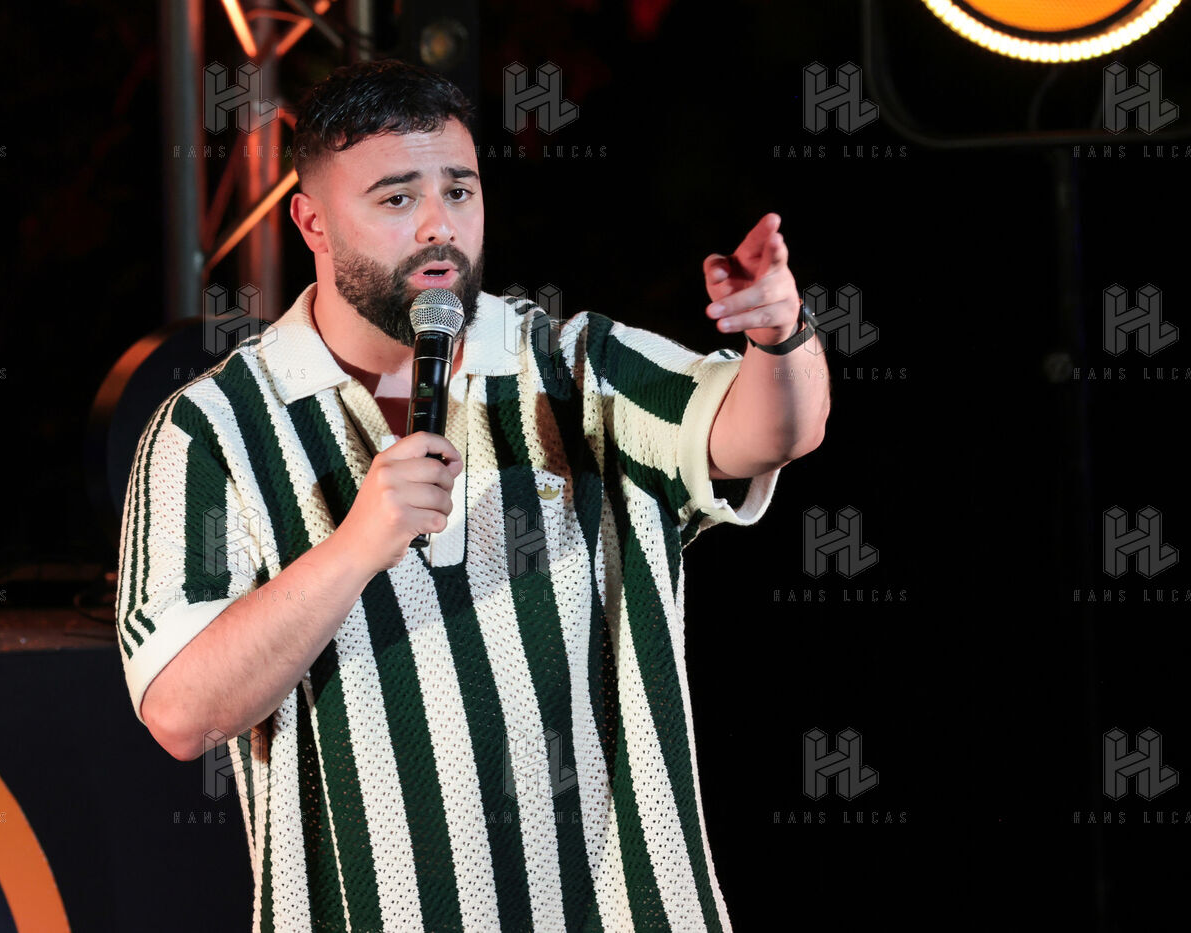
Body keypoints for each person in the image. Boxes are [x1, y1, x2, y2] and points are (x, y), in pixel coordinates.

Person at [116, 58, 828, 932]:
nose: (438, 226)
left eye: (459, 191)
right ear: (313, 222)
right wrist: (354, 548)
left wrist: (779, 335)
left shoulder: (573, 366)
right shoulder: (213, 427)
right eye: (396, 199)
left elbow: (771, 431)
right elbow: (182, 712)